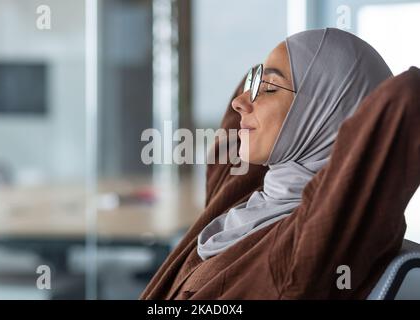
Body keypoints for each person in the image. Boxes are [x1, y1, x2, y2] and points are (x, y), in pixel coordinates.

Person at [140, 28, 420, 299]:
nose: (240, 101)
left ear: (326, 114)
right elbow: (239, 113)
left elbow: (407, 96)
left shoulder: (304, 245)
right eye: (254, 86)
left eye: (270, 87)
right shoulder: (246, 200)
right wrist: (266, 81)